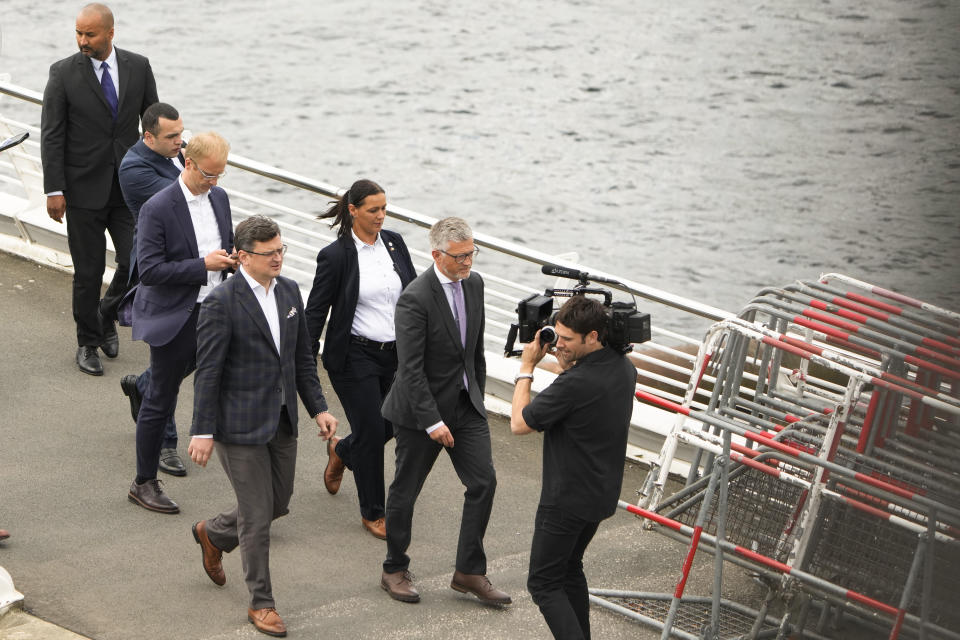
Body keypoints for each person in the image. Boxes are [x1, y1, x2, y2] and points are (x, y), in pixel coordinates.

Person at [187, 215, 338, 638]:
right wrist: (202, 430)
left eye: (281, 250)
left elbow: (301, 358)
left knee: (278, 502)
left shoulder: (290, 291)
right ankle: (262, 602)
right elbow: (208, 371)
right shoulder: (222, 302)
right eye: (269, 253)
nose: (278, 258)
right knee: (256, 516)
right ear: (242, 257)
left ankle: (213, 533)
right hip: (237, 426)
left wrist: (318, 408)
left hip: (283, 418)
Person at [379, 217, 509, 606]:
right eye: (460, 256)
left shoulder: (476, 284)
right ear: (437, 254)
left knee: (483, 482)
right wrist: (432, 420)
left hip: (466, 406)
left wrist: (479, 398)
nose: (468, 262)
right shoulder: (415, 298)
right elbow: (410, 368)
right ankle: (394, 569)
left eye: (471, 253)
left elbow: (475, 351)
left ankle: (469, 571)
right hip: (421, 413)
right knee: (405, 491)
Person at [40, 2, 158, 376]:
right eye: (78, 33)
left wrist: (169, 167)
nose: (82, 40)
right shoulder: (62, 74)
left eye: (89, 34)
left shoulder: (138, 67)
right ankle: (87, 343)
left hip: (129, 187)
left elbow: (152, 123)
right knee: (88, 272)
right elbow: (52, 135)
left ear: (110, 32)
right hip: (81, 190)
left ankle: (106, 315)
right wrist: (53, 188)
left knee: (137, 262)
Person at [509, 295, 636, 640]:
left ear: (592, 336)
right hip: (599, 494)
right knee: (568, 569)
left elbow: (519, 424)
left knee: (543, 584)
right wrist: (567, 357)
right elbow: (581, 389)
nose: (557, 343)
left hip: (565, 500)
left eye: (566, 339)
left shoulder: (575, 384)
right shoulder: (623, 367)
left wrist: (526, 368)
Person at [127, 132, 236, 514]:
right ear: (188, 164)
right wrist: (203, 265)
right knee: (161, 397)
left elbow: (225, 243)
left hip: (216, 308)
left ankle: (250, 475)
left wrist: (232, 260)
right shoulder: (157, 207)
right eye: (209, 175)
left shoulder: (219, 197)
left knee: (228, 377)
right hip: (176, 314)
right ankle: (143, 482)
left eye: (221, 175)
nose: (215, 183)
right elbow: (151, 271)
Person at [305, 179, 417, 540]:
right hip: (354, 355)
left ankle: (341, 451)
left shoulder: (394, 243)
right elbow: (316, 310)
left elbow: (413, 292)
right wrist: (302, 362)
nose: (381, 216)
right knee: (371, 430)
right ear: (353, 211)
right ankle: (373, 512)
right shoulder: (335, 256)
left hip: (395, 354)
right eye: (374, 210)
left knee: (394, 423)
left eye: (385, 209)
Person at [117, 101, 187, 476]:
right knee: (169, 354)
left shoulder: (179, 155)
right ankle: (167, 443)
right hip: (159, 274)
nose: (181, 142)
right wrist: (205, 174)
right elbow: (183, 201)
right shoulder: (134, 169)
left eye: (182, 134)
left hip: (193, 269)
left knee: (189, 355)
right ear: (149, 137)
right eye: (172, 136)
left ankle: (143, 386)